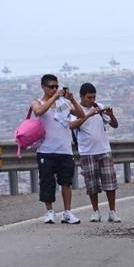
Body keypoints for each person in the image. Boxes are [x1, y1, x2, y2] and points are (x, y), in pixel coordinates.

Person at [31, 74, 86, 224]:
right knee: (47, 182)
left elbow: (81, 115)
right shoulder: (38, 102)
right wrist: (54, 98)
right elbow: (38, 111)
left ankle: (67, 212)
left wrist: (72, 99)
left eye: (56, 87)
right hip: (45, 150)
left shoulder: (64, 104)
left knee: (66, 182)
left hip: (64, 149)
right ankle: (49, 212)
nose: (54, 89)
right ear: (43, 87)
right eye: (51, 87)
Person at [70, 83, 121, 223]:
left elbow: (114, 125)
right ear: (81, 97)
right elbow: (72, 126)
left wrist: (110, 115)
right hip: (87, 151)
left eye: (93, 97)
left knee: (110, 182)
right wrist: (88, 115)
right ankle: (95, 211)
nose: (92, 100)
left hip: (104, 149)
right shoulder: (76, 110)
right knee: (92, 184)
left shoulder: (99, 106)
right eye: (89, 97)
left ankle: (112, 211)